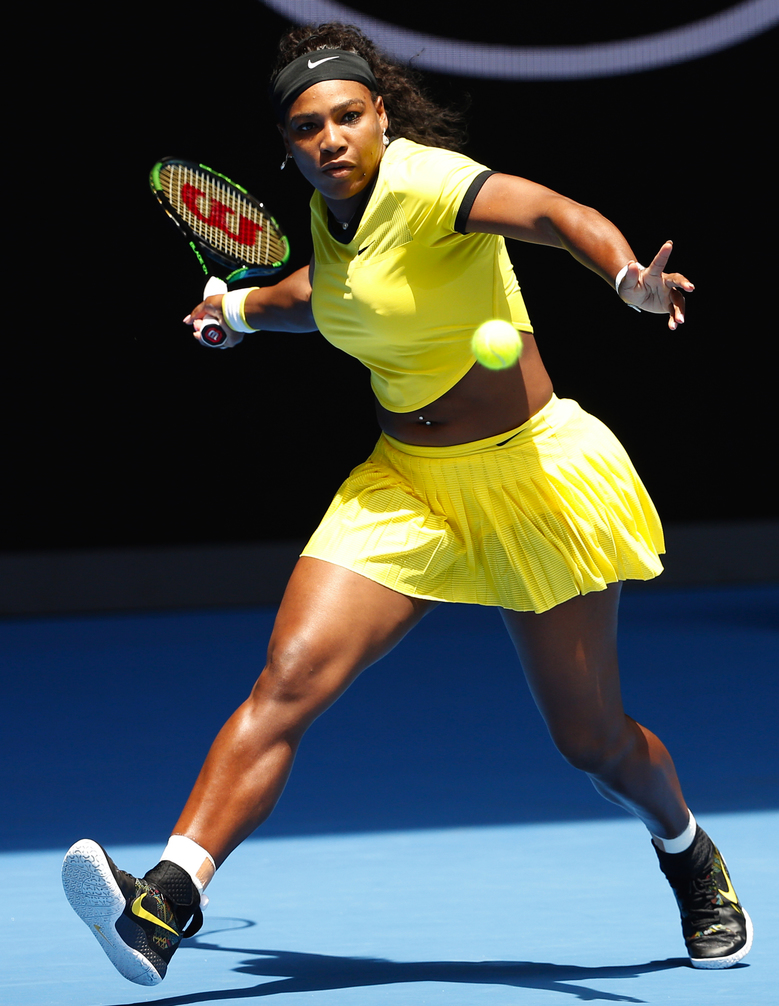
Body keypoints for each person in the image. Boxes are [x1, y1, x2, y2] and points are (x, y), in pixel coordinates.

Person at [62, 22, 751, 986]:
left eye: (349, 116)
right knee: (289, 678)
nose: (332, 139)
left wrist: (626, 276)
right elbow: (338, 296)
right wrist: (240, 312)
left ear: (382, 116)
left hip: (532, 481)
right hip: (403, 485)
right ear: (290, 146)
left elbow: (551, 213)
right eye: (309, 128)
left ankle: (689, 857)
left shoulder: (431, 183)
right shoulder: (326, 213)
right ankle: (165, 901)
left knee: (591, 741)